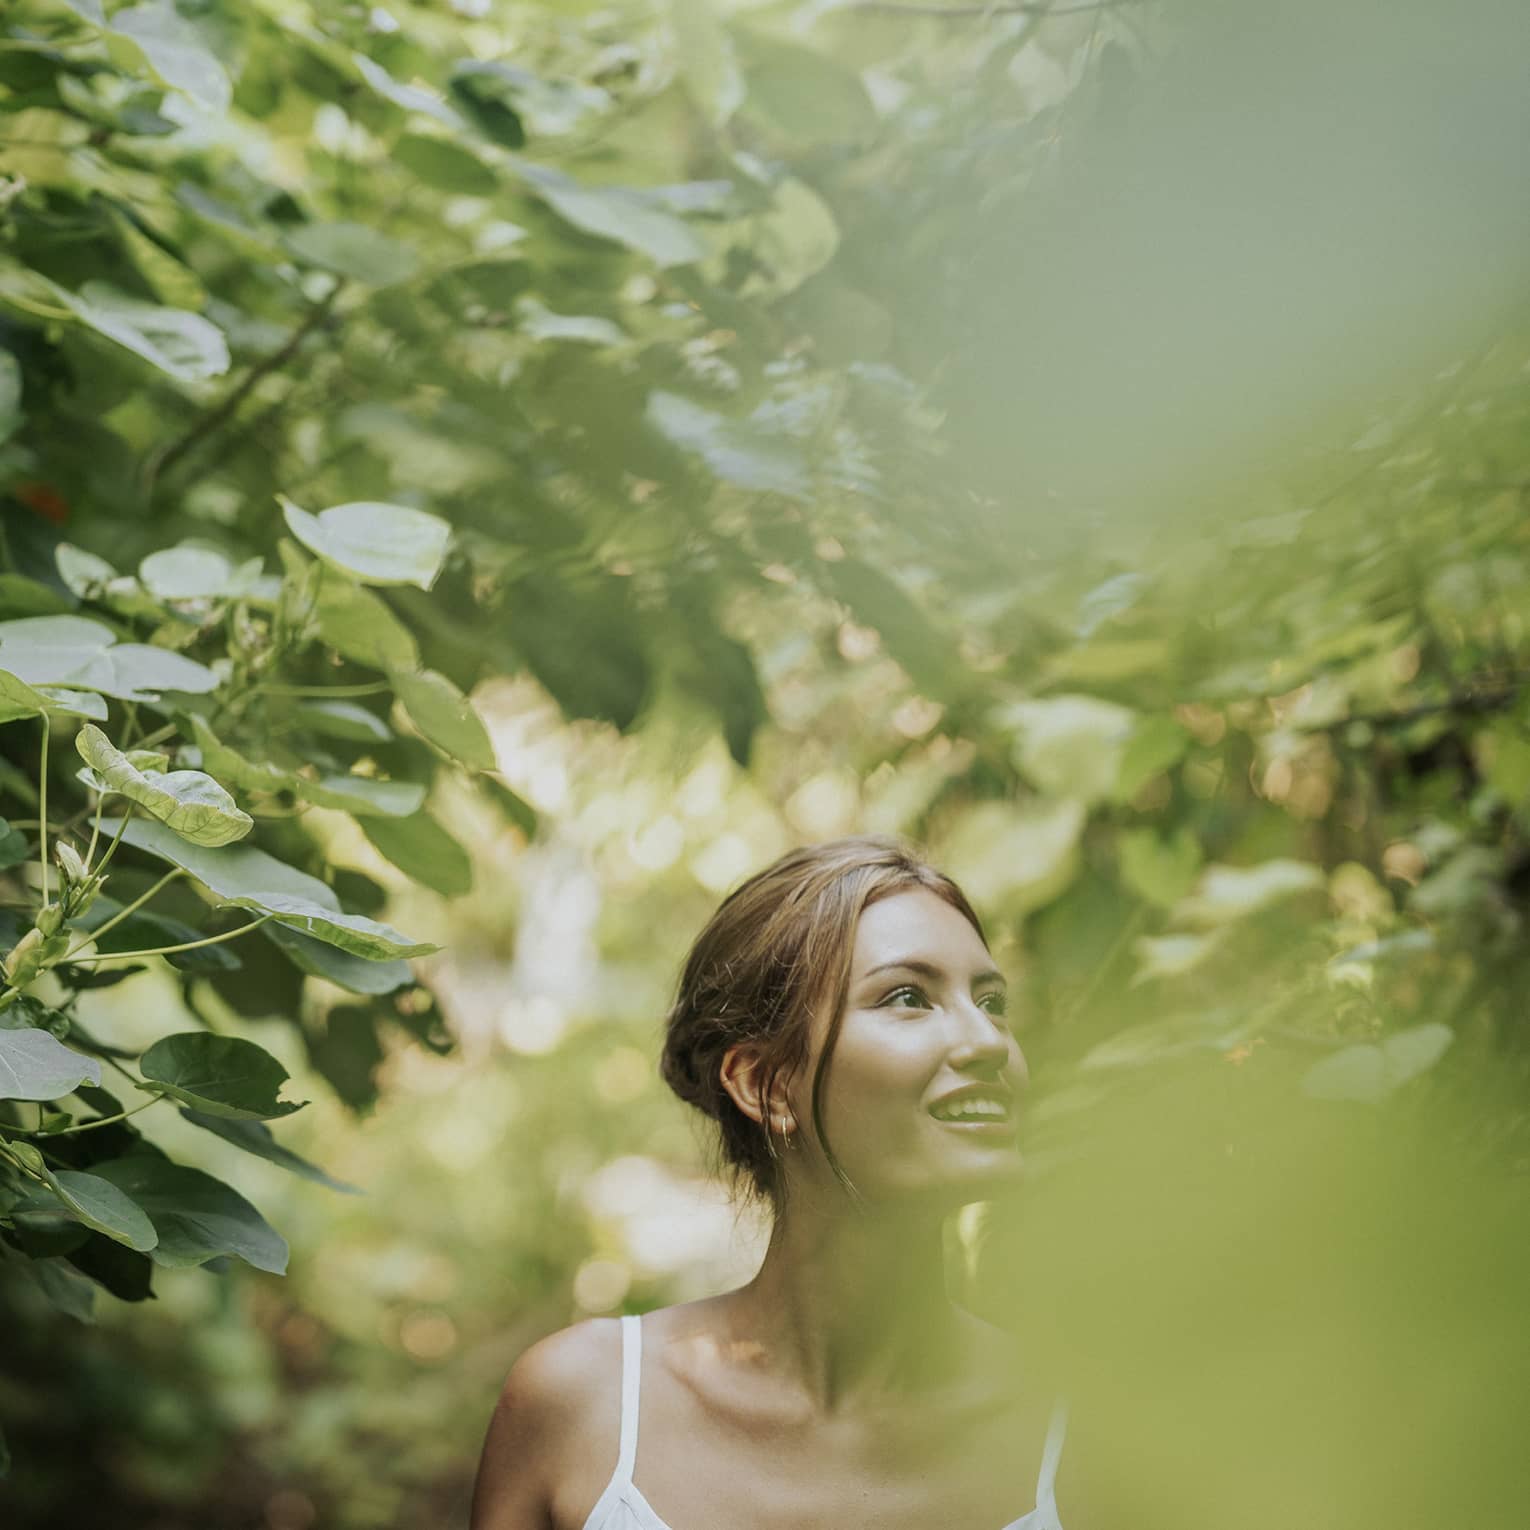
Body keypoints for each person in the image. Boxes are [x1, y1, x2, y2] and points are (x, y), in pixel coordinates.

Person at [470, 836, 1074, 1530]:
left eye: (992, 1002)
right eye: (908, 997)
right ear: (766, 1084)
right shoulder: (580, 1407)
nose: (991, 1041)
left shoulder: (1091, 1429)